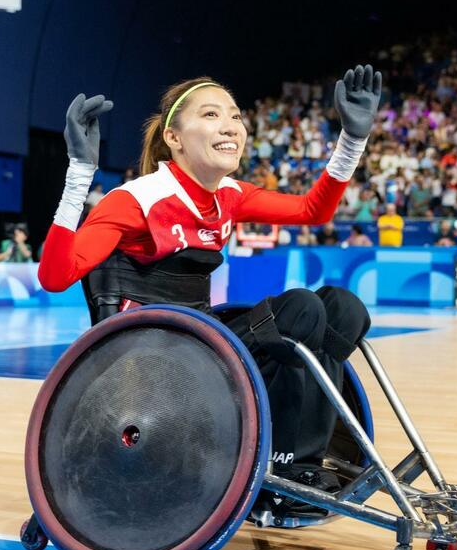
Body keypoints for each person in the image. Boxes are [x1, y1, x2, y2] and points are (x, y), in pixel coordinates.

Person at [39, 65, 383, 507]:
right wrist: (79, 173)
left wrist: (351, 140)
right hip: (149, 359)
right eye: (211, 115)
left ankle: (299, 455)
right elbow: (55, 276)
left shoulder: (229, 195)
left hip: (201, 344)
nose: (230, 126)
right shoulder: (136, 199)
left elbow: (313, 211)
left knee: (343, 308)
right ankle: (281, 466)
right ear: (174, 138)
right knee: (299, 309)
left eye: (236, 116)